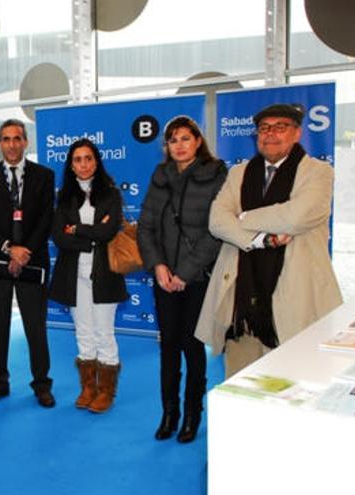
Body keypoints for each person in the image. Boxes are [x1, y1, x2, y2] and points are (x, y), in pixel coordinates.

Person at [196, 103, 342, 379]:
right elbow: (217, 221)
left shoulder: (318, 171)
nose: (270, 134)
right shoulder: (239, 173)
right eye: (264, 128)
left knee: (291, 383)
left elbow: (297, 216)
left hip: (293, 298)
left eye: (280, 127)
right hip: (241, 301)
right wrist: (259, 240)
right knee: (240, 383)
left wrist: (243, 217)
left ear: (297, 133)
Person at [137, 117, 227, 443]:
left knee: (192, 346)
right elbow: (145, 227)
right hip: (163, 279)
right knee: (169, 347)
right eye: (172, 140)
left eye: (185, 138)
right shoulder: (160, 176)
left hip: (197, 277)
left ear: (198, 141)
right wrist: (158, 266)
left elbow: (216, 230)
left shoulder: (217, 175)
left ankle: (192, 415)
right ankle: (169, 413)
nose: (179, 145)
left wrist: (184, 273)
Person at [0, 118, 56, 408]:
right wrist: (10, 249)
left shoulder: (44, 175)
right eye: (6, 139)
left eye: (17, 138)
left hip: (33, 261)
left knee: (36, 328)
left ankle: (42, 385)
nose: (12, 144)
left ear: (25, 142)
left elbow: (46, 219)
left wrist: (24, 252)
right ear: (0, 143)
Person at [49, 138, 128, 414]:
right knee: (83, 332)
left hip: (104, 273)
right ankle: (88, 388)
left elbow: (108, 233)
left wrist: (77, 230)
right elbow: (58, 236)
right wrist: (90, 234)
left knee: (104, 332)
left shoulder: (111, 194)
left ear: (97, 161)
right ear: (71, 165)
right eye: (77, 160)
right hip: (74, 275)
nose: (83, 164)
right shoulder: (64, 196)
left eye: (88, 158)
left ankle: (106, 391)